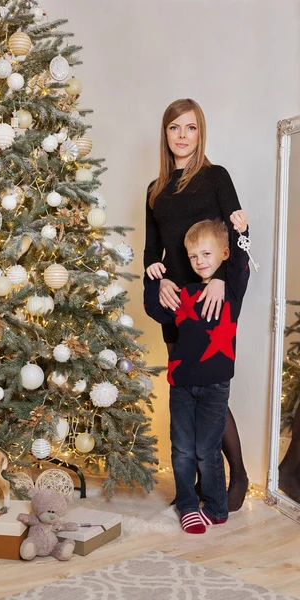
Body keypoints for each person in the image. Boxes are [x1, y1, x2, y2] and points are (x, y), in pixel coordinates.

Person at [144, 98, 249, 511]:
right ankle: (194, 490)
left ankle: (236, 473)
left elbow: (237, 234)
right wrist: (161, 277)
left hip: (210, 297)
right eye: (174, 128)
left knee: (211, 389)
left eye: (190, 128)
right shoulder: (155, 190)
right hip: (176, 302)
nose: (182, 136)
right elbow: (153, 250)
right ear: (165, 134)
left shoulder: (216, 177)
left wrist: (221, 280)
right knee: (186, 391)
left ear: (200, 132)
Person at [144, 214, 250, 533]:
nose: (199, 261)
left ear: (223, 254)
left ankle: (217, 508)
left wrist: (241, 231)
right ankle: (189, 506)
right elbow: (154, 309)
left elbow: (241, 261)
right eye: (194, 256)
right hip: (181, 387)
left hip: (215, 386)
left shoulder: (230, 290)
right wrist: (154, 280)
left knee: (208, 450)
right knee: (183, 451)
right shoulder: (185, 294)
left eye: (206, 254)